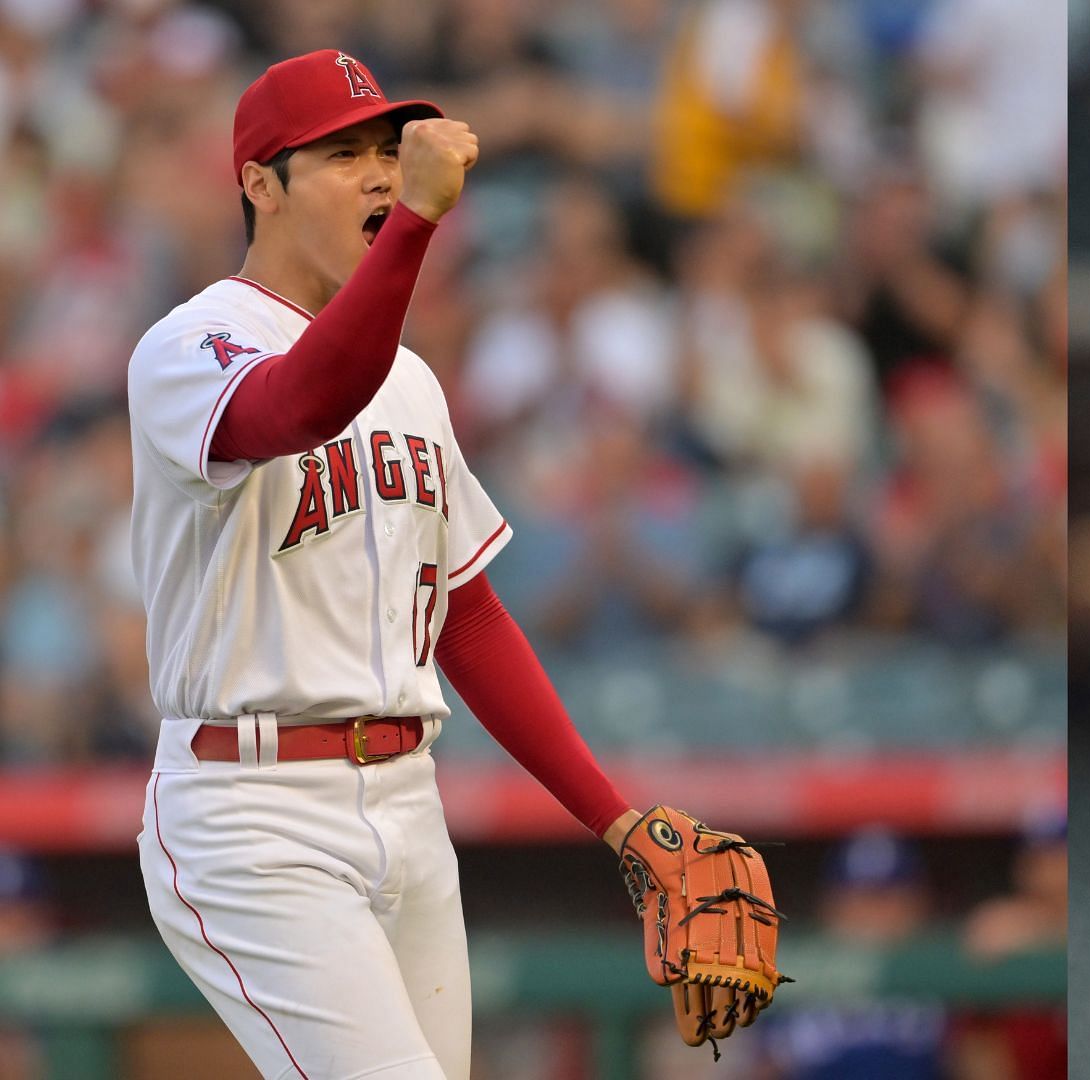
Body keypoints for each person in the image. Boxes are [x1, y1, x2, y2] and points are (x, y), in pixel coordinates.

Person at [125, 50, 778, 1079]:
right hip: (252, 811)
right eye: (345, 155)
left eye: (390, 150)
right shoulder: (193, 341)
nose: (383, 174)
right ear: (260, 183)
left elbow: (467, 618)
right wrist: (423, 225)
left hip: (406, 799)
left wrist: (614, 822)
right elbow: (297, 406)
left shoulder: (412, 380)